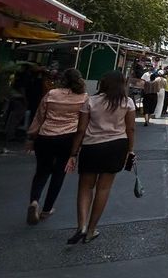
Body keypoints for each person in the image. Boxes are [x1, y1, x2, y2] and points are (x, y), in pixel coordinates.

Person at [65, 71, 135, 244]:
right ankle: (91, 230)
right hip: (117, 146)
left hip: (92, 146)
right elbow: (131, 129)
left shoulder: (90, 101)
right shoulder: (127, 102)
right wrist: (130, 150)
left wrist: (73, 153)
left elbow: (81, 129)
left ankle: (80, 225)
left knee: (85, 187)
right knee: (103, 189)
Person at [25, 68, 88, 224]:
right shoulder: (83, 98)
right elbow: (84, 122)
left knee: (41, 171)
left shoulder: (52, 94)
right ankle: (47, 209)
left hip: (45, 136)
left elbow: (39, 116)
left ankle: (34, 201)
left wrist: (31, 136)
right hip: (68, 137)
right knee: (59, 173)